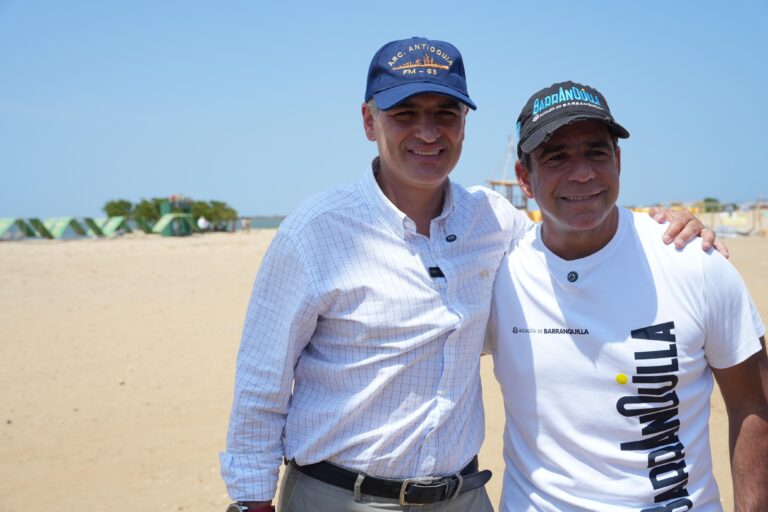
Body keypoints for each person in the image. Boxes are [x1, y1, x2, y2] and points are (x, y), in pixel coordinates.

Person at [220, 39, 715, 512]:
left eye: (445, 114)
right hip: (338, 496)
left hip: (462, 498)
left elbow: (574, 234)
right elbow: (261, 383)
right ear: (369, 121)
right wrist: (253, 500)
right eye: (405, 114)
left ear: (464, 124)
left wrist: (660, 227)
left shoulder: (495, 222)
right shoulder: (315, 232)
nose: (429, 132)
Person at [486, 81, 768, 511]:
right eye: (556, 157)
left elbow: (754, 405)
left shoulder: (694, 262)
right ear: (524, 179)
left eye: (596, 152)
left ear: (618, 161)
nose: (581, 173)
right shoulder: (498, 276)